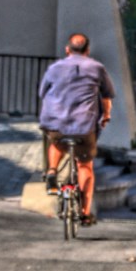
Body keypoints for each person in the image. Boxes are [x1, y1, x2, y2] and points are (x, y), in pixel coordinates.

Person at [38, 33, 115, 227]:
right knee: (85, 166)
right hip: (84, 126)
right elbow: (106, 97)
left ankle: (52, 171)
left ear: (67, 49)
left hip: (56, 123)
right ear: (88, 51)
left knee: (56, 143)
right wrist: (105, 116)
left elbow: (42, 93)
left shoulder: (54, 68)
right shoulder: (97, 68)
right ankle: (85, 213)